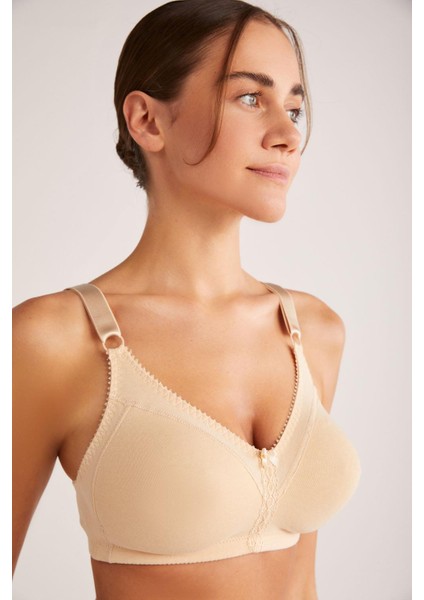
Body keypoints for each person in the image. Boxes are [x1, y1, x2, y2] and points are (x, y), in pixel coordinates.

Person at [12, 1, 362, 598]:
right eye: (250, 98)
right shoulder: (53, 340)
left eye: (295, 108)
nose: (288, 136)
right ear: (147, 120)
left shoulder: (313, 329)